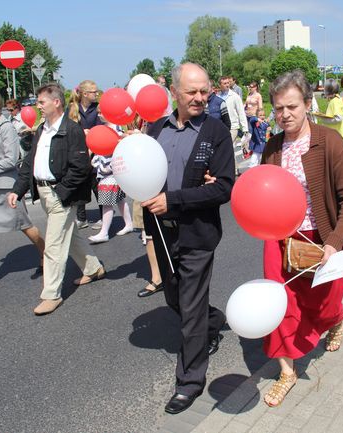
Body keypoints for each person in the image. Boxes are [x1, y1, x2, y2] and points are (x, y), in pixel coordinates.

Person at [260, 70, 343, 407]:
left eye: (291, 106)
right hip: (281, 238)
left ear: (307, 103)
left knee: (325, 304)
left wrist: (335, 241)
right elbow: (262, 192)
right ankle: (286, 370)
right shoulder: (272, 147)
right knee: (279, 301)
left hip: (321, 239)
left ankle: (337, 318)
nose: (285, 114)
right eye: (278, 109)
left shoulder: (329, 142)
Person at [142, 63, 234, 414]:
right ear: (174, 94)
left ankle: (190, 382)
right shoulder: (155, 130)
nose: (199, 98)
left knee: (191, 309)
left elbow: (224, 187)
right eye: (191, 92)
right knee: (175, 299)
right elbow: (143, 174)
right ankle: (213, 320)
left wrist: (174, 200)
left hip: (197, 234)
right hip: (162, 233)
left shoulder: (216, 132)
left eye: (204, 92)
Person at [8, 83, 106, 316]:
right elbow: (30, 163)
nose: (37, 106)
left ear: (56, 102)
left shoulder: (71, 130)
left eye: (41, 102)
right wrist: (17, 190)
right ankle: (93, 268)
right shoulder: (42, 129)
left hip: (61, 195)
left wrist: (61, 192)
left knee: (53, 245)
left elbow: (80, 167)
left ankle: (51, 294)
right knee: (69, 235)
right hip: (44, 193)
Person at [0, 88, 45, 294]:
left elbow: (11, 160)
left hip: (6, 185)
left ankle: (46, 253)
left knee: (24, 224)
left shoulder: (6, 127)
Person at [67, 80, 105, 230]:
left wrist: (92, 134)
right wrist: (80, 133)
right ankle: (81, 217)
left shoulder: (98, 109)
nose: (96, 93)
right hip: (78, 153)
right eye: (93, 92)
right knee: (80, 185)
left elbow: (101, 127)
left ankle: (104, 216)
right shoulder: (71, 108)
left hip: (96, 153)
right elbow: (68, 127)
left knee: (97, 185)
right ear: (84, 93)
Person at [87, 154, 133, 243]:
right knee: (120, 200)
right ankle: (129, 224)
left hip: (108, 180)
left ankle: (104, 233)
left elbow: (105, 168)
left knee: (106, 205)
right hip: (115, 178)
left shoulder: (107, 151)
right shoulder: (114, 149)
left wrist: (97, 163)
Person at [218, 76, 248, 174]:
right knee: (226, 148)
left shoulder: (235, 96)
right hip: (221, 126)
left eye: (228, 83)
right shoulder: (218, 96)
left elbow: (241, 112)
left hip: (233, 127)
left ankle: (233, 170)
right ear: (220, 85)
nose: (227, 85)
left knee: (228, 146)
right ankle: (230, 168)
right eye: (224, 83)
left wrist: (245, 129)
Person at [316, 79, 343, 143]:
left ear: (329, 90)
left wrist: (324, 119)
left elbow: (338, 118)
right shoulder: (336, 99)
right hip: (336, 137)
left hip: (337, 139)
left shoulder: (335, 101)